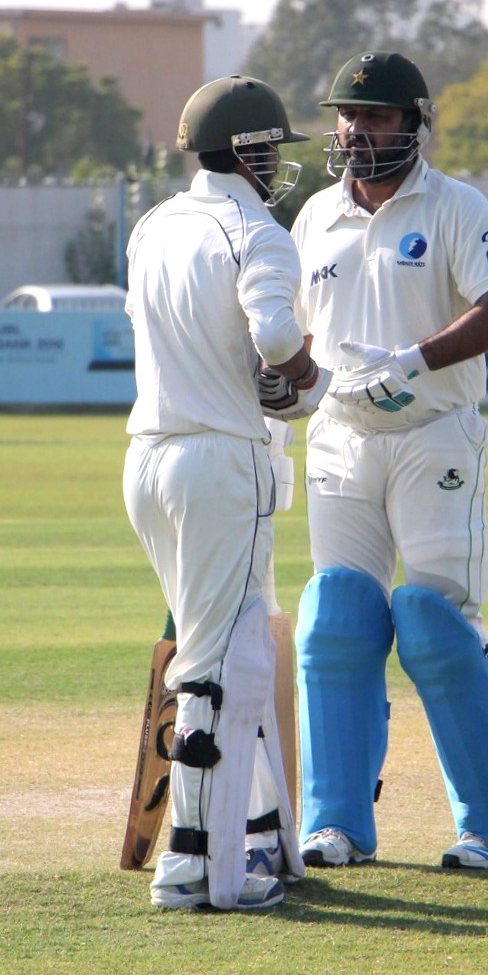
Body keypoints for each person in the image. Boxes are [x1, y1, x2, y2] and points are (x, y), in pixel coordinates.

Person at [290, 50, 488, 871]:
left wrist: (413, 361)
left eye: (377, 116)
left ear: (414, 124)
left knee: (435, 622)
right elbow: (295, 331)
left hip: (434, 434)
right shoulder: (314, 216)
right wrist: (281, 381)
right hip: (340, 436)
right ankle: (336, 822)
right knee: (336, 617)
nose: (358, 130)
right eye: (348, 116)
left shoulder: (457, 204)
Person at [122, 75, 331, 911]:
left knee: (229, 646)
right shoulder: (257, 231)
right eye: (270, 147)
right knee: (213, 663)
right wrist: (303, 375)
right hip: (220, 463)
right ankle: (192, 866)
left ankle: (258, 830)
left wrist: (261, 377)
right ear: (246, 151)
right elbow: (275, 336)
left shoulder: (153, 225)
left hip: (148, 457)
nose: (277, 161)